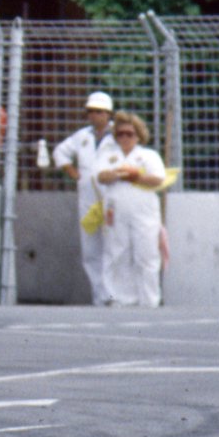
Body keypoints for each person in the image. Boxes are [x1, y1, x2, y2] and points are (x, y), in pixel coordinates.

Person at [95, 112, 169, 307]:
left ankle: (149, 301)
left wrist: (135, 176)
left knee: (146, 254)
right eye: (120, 134)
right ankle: (117, 299)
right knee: (116, 253)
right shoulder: (109, 155)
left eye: (130, 134)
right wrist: (119, 173)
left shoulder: (148, 156)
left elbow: (158, 179)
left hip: (144, 211)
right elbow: (101, 176)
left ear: (138, 135)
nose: (125, 138)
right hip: (116, 210)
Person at [52, 91, 119, 305]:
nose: (94, 115)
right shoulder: (82, 136)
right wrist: (73, 173)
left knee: (113, 246)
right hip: (88, 199)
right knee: (91, 249)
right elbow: (60, 152)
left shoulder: (119, 135)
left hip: (112, 197)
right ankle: (101, 298)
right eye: (90, 111)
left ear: (108, 114)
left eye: (98, 111)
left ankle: (116, 296)